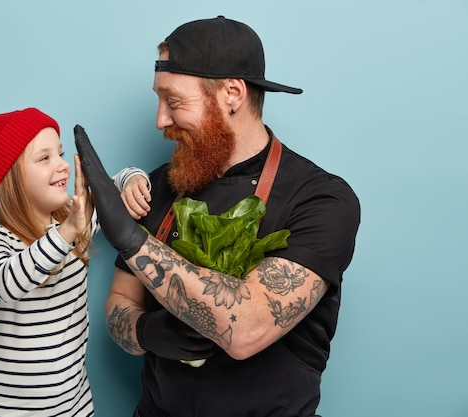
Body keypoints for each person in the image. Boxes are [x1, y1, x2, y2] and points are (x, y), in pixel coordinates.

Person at [74, 15, 361, 417]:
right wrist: (143, 330)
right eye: (159, 100)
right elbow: (119, 302)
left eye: (173, 101)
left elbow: (245, 328)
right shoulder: (160, 186)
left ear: (232, 93)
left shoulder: (321, 199)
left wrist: (131, 238)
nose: (160, 120)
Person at [0, 107, 149, 417]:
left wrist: (133, 180)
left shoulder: (73, 219)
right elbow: (5, 284)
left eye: (60, 154)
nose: (63, 165)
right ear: (10, 177)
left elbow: (114, 184)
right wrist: (67, 232)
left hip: (71, 404)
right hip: (2, 408)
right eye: (44, 158)